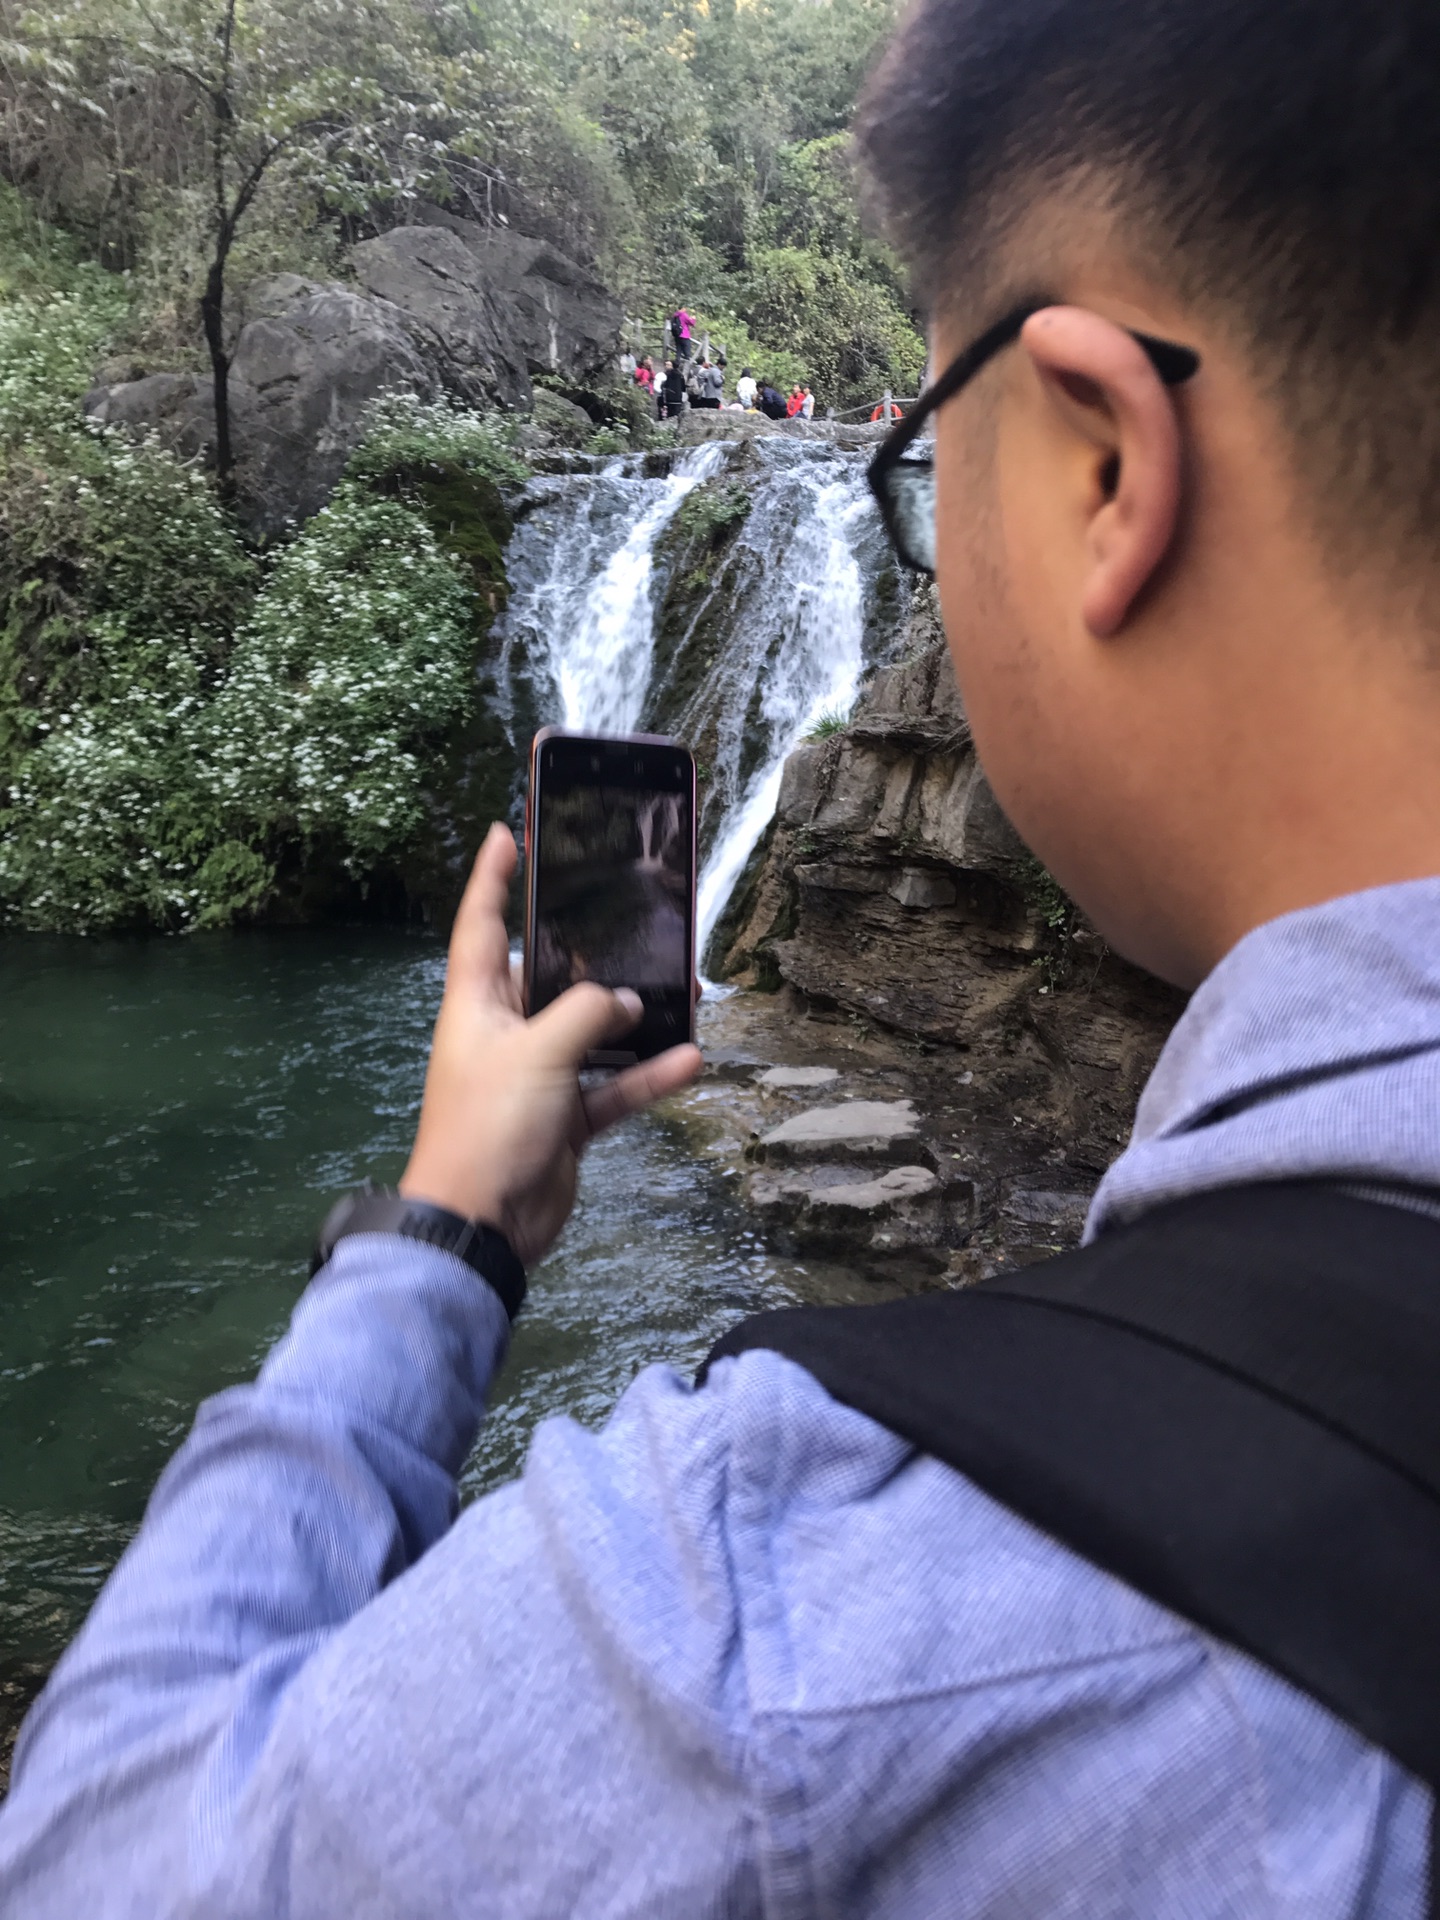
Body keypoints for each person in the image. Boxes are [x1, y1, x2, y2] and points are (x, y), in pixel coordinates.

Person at [7, 0, 1440, 1911]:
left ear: (1105, 457)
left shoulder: (780, 1623)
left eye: (925, 451)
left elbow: (102, 1856)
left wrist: (439, 1240)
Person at [657, 357, 687, 422]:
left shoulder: (667, 374)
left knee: (667, 416)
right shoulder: (681, 376)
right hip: (678, 399)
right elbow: (683, 388)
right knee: (676, 416)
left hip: (668, 398)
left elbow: (663, 386)